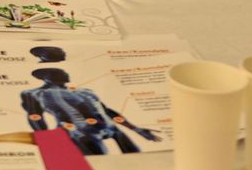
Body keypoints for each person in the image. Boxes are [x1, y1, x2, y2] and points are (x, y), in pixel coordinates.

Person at [19, 67, 161, 156]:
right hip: (80, 133)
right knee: (101, 167)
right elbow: (35, 116)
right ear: (45, 77)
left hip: (112, 129)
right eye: (58, 72)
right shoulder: (34, 93)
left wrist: (136, 129)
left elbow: (106, 111)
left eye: (63, 71)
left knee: (137, 159)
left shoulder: (85, 91)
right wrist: (47, 141)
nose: (65, 72)